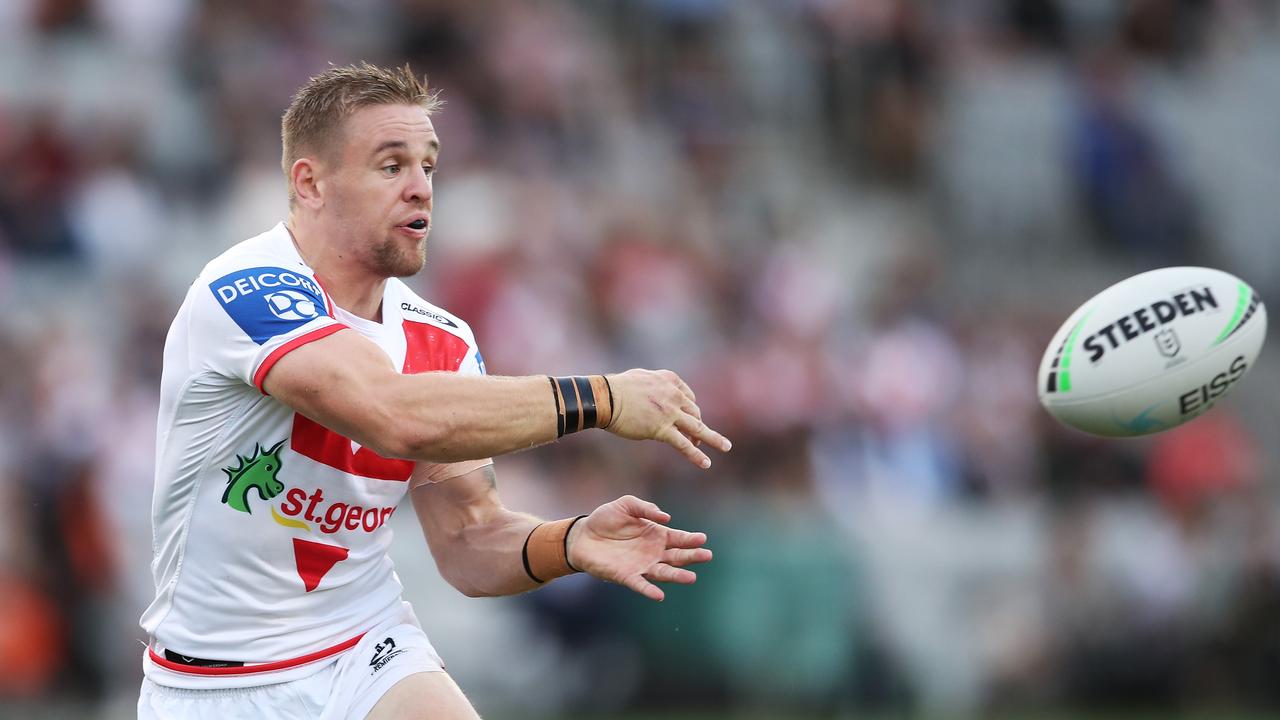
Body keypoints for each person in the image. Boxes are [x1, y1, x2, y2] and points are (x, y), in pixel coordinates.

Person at [137, 62, 731, 720]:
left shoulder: (442, 338)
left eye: (429, 166)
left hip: (364, 648)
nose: (421, 188)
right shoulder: (244, 288)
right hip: (213, 684)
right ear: (310, 183)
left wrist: (569, 543)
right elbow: (392, 414)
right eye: (391, 166)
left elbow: (469, 542)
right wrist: (602, 399)